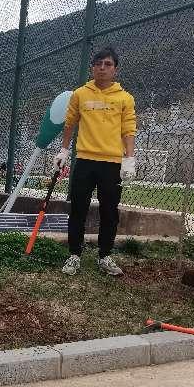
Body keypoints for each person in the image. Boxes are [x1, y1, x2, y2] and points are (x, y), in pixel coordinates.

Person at [54, 47, 136, 277]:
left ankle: (105, 256)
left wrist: (129, 158)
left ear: (115, 69)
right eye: (98, 63)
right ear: (92, 68)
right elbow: (70, 123)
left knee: (109, 211)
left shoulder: (125, 98)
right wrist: (64, 150)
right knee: (78, 209)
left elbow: (128, 129)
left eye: (108, 64)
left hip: (111, 163)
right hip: (85, 161)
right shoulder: (80, 94)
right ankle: (74, 255)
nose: (102, 68)